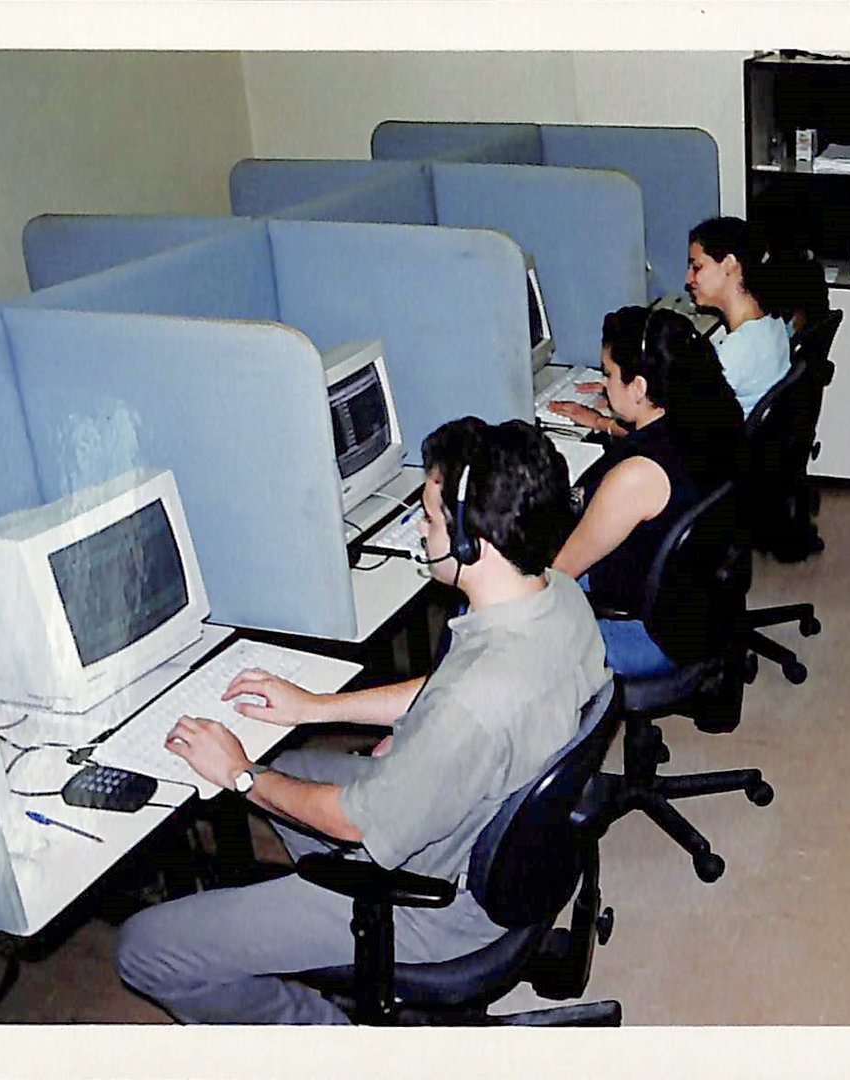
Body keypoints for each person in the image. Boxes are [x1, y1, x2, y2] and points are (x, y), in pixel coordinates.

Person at [114, 418, 610, 1025]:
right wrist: (315, 706)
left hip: (441, 909)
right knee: (292, 766)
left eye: (429, 517)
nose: (420, 529)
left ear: (469, 545)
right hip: (495, 840)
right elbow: (442, 690)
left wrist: (241, 775)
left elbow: (352, 819)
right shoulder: (556, 595)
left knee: (147, 949)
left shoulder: (474, 705)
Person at [552, 306, 743, 677]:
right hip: (698, 611)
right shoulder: (703, 424)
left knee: (500, 610)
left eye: (608, 374)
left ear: (639, 387)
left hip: (650, 637)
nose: (604, 384)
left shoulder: (636, 477)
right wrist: (603, 424)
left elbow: (560, 573)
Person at [685, 216, 792, 418]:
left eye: (696, 267)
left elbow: (685, 419)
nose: (688, 278)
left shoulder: (735, 351)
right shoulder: (773, 321)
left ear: (729, 264)